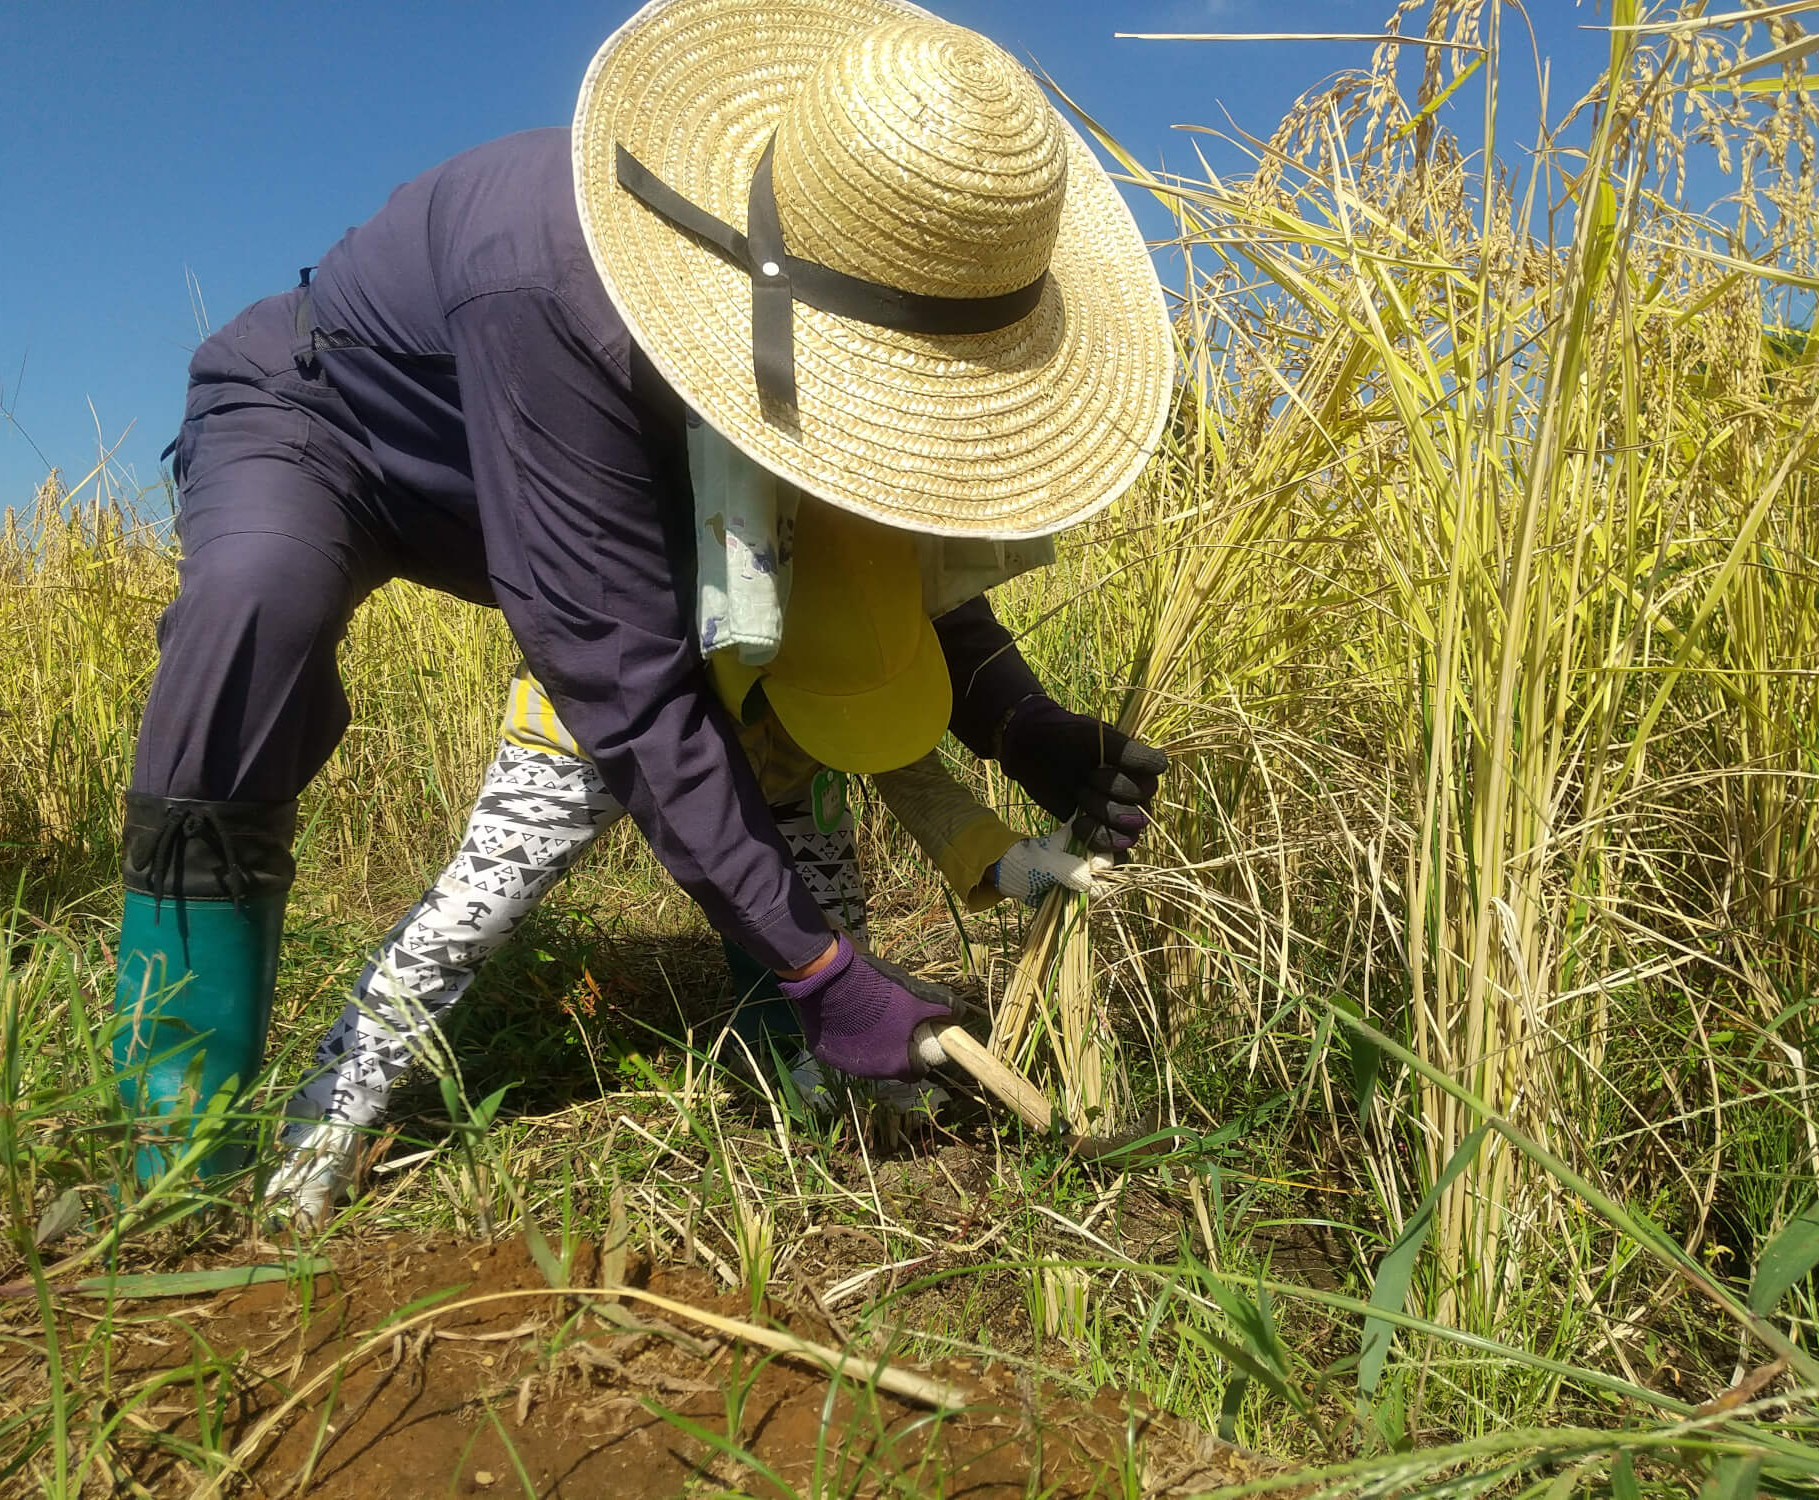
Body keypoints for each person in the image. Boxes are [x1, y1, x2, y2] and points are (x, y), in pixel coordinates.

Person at [112, 0, 1174, 1184]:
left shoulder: (831, 290)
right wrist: (820, 966)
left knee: (769, 670)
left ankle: (794, 1068)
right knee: (257, 606)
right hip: (338, 424)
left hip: (580, 470)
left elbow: (857, 567)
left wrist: (1016, 719)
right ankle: (180, 1133)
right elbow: (620, 673)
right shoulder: (550, 274)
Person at [264, 499, 1111, 1223]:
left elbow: (895, 752)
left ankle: (822, 1079)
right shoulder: (645, 608)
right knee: (473, 911)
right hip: (594, 724)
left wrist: (1002, 859)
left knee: (833, 917)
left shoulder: (850, 606)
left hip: (780, 743)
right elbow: (677, 777)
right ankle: (329, 1111)